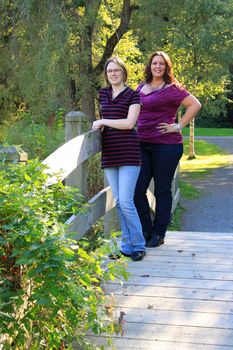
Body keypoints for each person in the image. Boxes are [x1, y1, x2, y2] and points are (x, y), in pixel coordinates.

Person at [134, 51, 202, 247]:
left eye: (161, 64)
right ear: (150, 66)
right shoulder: (140, 87)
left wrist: (178, 125)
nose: (157, 67)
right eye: (154, 63)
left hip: (166, 146)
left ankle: (158, 234)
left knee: (162, 190)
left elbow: (195, 104)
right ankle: (146, 231)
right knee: (137, 190)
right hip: (142, 144)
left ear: (166, 67)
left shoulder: (173, 89)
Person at [92, 57, 146, 261]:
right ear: (106, 75)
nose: (113, 74)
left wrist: (103, 120)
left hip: (129, 152)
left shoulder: (133, 95)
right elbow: (108, 120)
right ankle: (126, 245)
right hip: (110, 152)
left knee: (126, 200)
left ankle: (139, 245)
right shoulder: (103, 93)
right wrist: (101, 124)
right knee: (119, 202)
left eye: (117, 70)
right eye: (109, 71)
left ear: (124, 72)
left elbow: (129, 123)